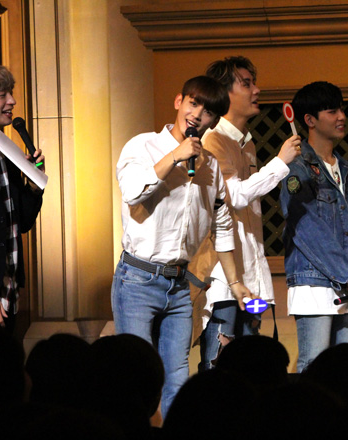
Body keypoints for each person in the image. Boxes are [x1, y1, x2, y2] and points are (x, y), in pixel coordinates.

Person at [112, 75, 251, 418]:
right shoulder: (142, 146)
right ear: (179, 102)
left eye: (208, 112)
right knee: (136, 375)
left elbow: (222, 225)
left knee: (177, 375)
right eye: (193, 103)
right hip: (138, 279)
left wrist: (236, 283)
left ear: (213, 121)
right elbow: (132, 192)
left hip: (179, 284)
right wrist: (175, 155)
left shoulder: (210, 166)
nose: (197, 115)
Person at [194, 56, 301, 370]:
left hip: (250, 276)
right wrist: (280, 163)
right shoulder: (213, 139)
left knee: (250, 365)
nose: (257, 90)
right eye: (246, 83)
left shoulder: (246, 144)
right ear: (224, 93)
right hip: (222, 280)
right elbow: (234, 196)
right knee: (220, 364)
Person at [280, 81, 348, 372]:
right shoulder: (296, 166)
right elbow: (305, 227)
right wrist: (347, 274)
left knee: (346, 369)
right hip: (314, 281)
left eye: (341, 109)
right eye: (332, 111)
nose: (341, 117)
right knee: (315, 366)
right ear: (310, 120)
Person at [0, 60, 44, 332]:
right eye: (2, 94)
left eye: (11, 93)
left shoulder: (5, 151)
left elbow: (21, 222)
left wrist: (34, 185)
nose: (12, 101)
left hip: (7, 293)